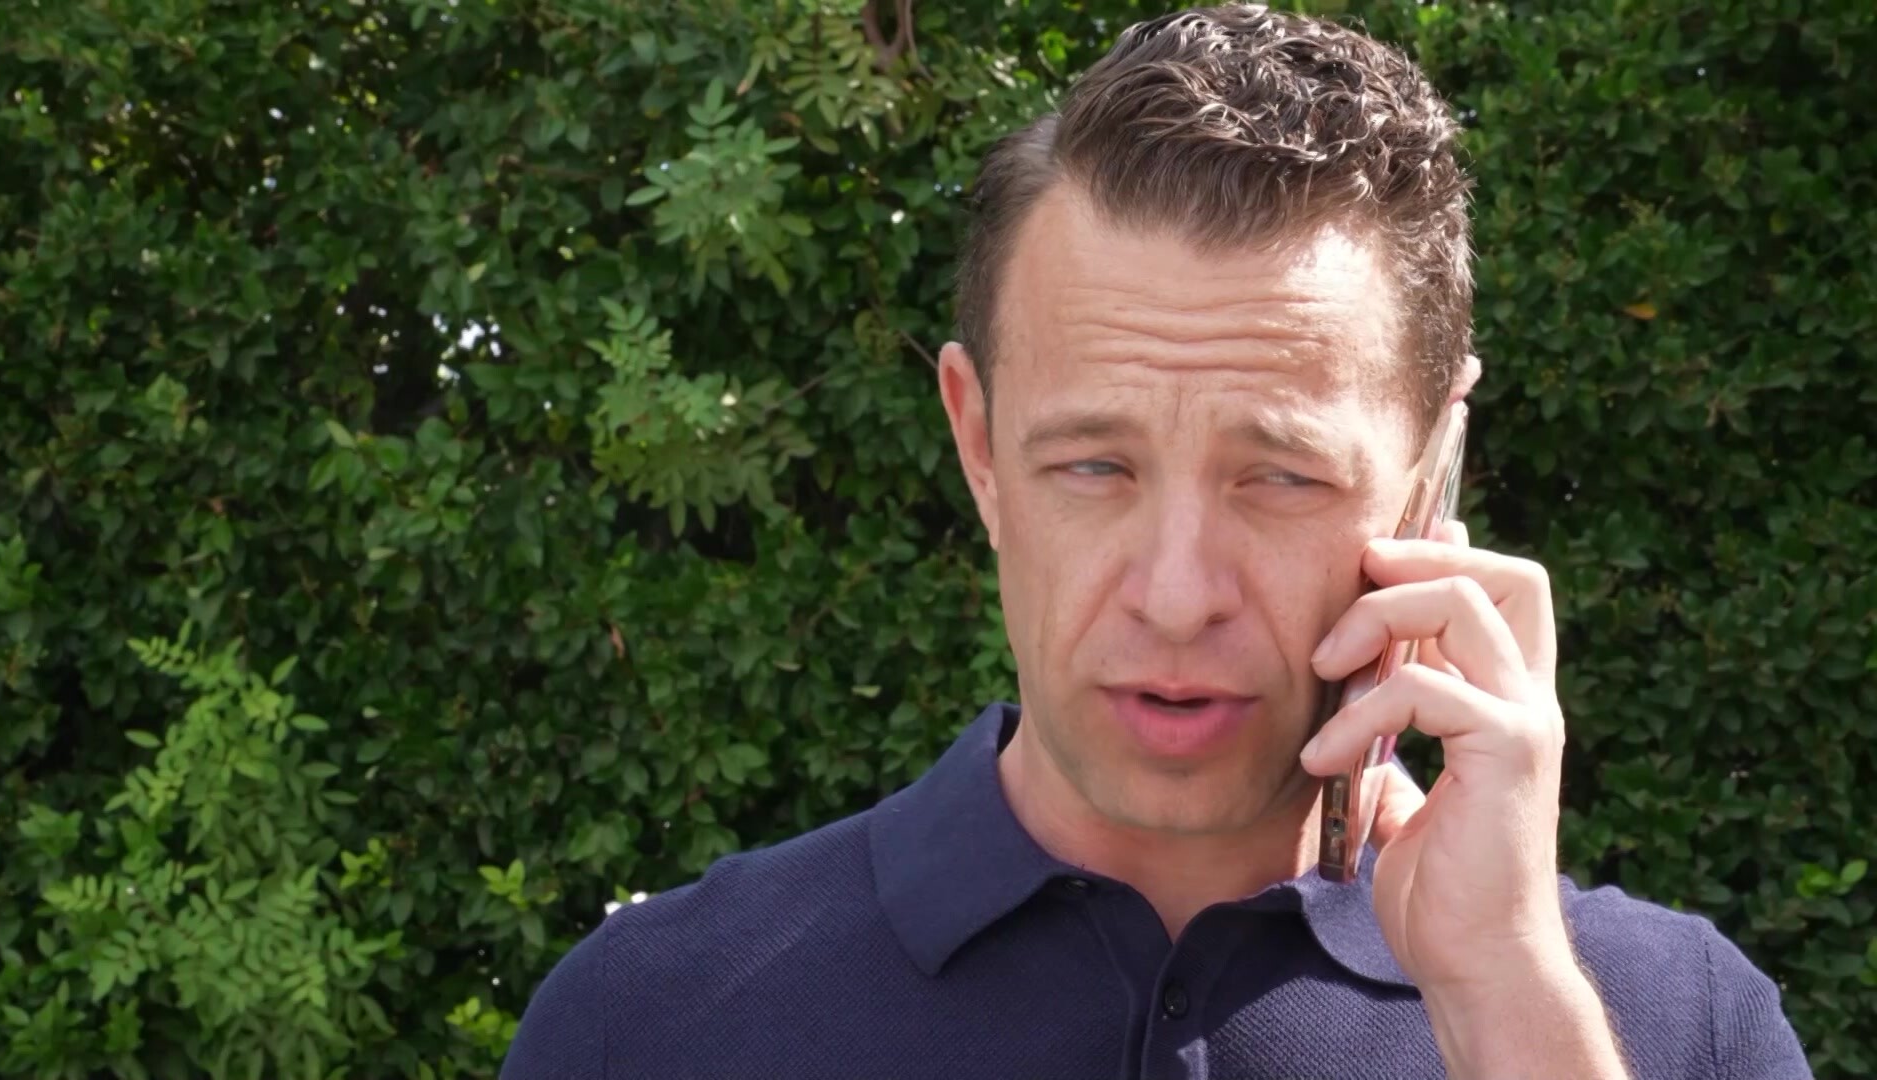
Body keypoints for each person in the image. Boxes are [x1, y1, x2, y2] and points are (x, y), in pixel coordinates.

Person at [500, 5, 1812, 1078]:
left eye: (1282, 476)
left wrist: (1504, 997)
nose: (1179, 596)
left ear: (1431, 474)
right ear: (978, 446)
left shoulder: (1680, 1025)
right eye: (1093, 465)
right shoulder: (649, 1022)